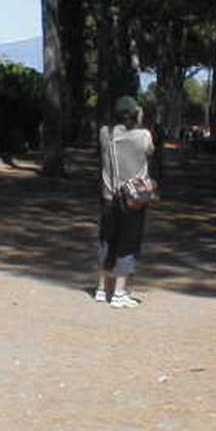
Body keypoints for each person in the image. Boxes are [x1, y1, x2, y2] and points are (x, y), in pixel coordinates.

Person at [96, 95, 154, 308]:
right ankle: (120, 292)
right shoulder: (144, 136)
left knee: (107, 240)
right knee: (128, 242)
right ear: (135, 114)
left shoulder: (105, 133)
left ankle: (102, 289)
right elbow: (151, 152)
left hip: (109, 197)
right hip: (133, 199)